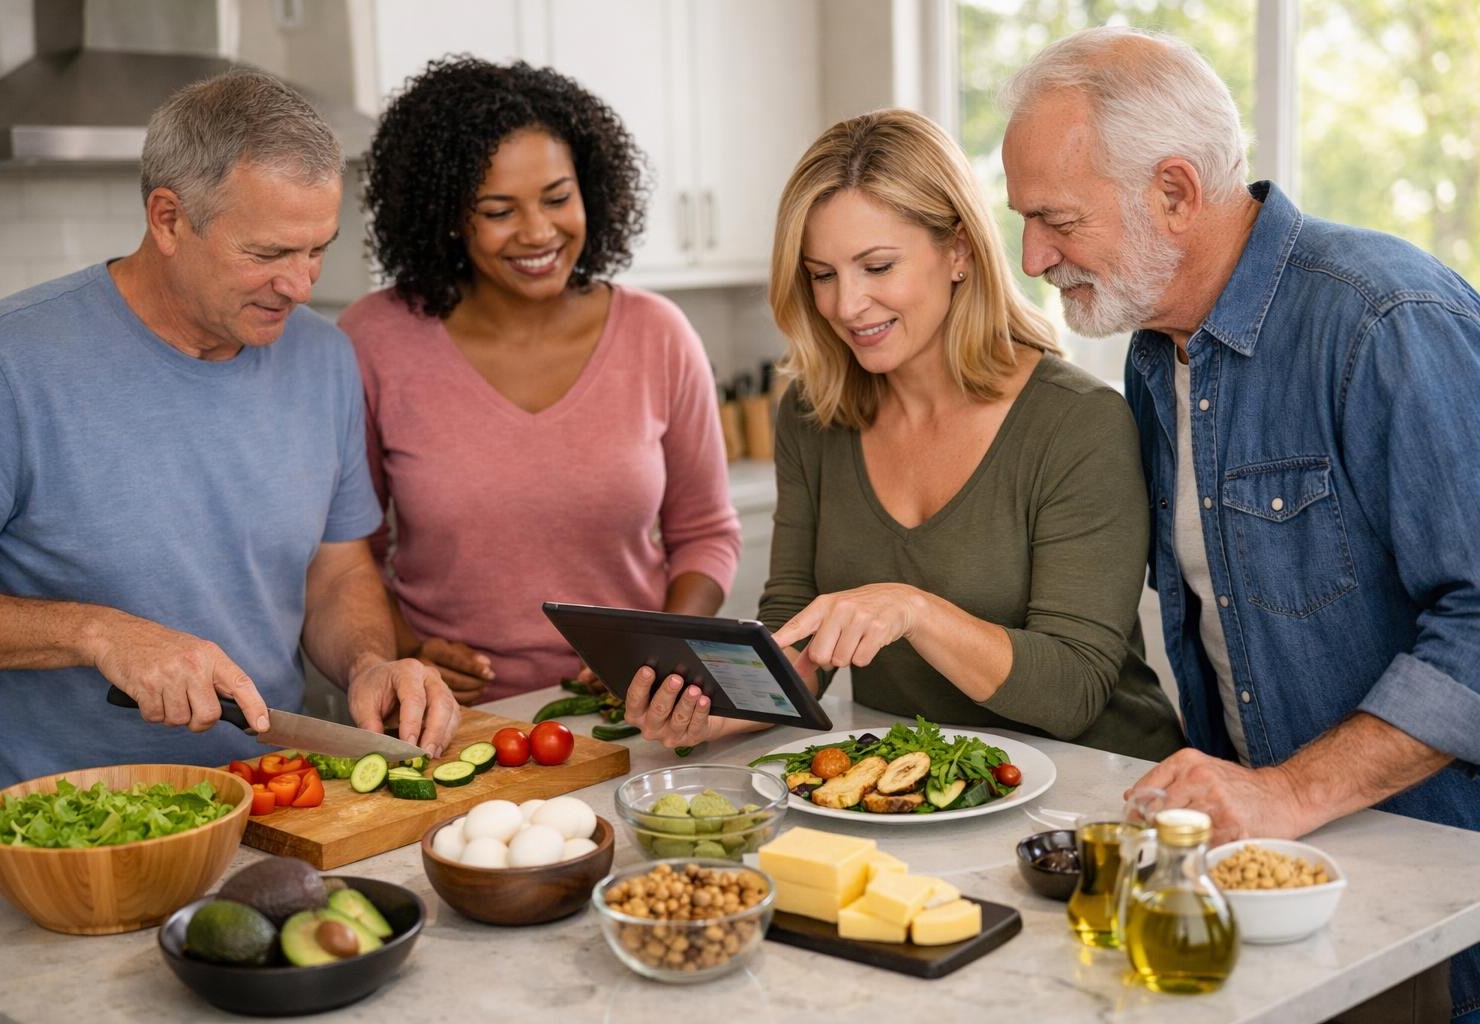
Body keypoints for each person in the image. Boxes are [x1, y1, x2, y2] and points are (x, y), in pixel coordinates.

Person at [1000, 26, 1480, 1022]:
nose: (1033, 256)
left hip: (1436, 890)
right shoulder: (1151, 355)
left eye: (1055, 220)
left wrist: (1290, 792)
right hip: (1271, 888)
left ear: (1174, 192)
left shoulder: (1384, 319)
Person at [0, 70, 458, 849]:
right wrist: (100, 635)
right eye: (268, 252)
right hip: (40, 842)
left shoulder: (323, 360)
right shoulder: (3, 365)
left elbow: (337, 568)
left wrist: (368, 663)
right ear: (168, 218)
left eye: (317, 249)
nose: (299, 283)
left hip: (263, 817)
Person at [626, 108, 1184, 762]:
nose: (845, 305)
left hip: (1098, 791)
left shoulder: (1078, 423)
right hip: (917, 784)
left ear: (959, 251)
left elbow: (1072, 690)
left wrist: (912, 611)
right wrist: (718, 711)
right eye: (822, 274)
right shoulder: (813, 413)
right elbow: (795, 629)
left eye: (877, 266)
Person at [339, 56, 740, 705]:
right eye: (499, 210)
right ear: (445, 214)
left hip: (629, 716)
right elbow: (348, 551)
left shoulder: (657, 334)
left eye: (557, 198)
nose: (538, 232)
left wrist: (661, 648)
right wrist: (405, 650)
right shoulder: (375, 341)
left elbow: (707, 533)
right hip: (451, 719)